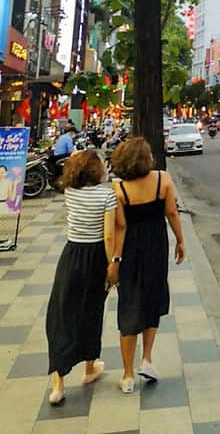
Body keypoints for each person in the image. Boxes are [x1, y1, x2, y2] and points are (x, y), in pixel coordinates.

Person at [109, 137, 185, 394]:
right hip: (156, 245)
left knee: (129, 303)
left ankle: (128, 374)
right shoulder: (163, 180)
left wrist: (114, 260)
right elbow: (172, 212)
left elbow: (119, 227)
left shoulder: (118, 189)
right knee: (153, 297)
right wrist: (180, 240)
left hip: (130, 248)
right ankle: (147, 359)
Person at [45, 150, 117, 406]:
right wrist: (112, 265)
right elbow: (109, 235)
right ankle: (89, 368)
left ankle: (58, 385)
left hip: (72, 254)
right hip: (96, 257)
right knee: (91, 312)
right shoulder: (108, 194)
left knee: (61, 315)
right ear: (96, 170)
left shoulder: (70, 192)